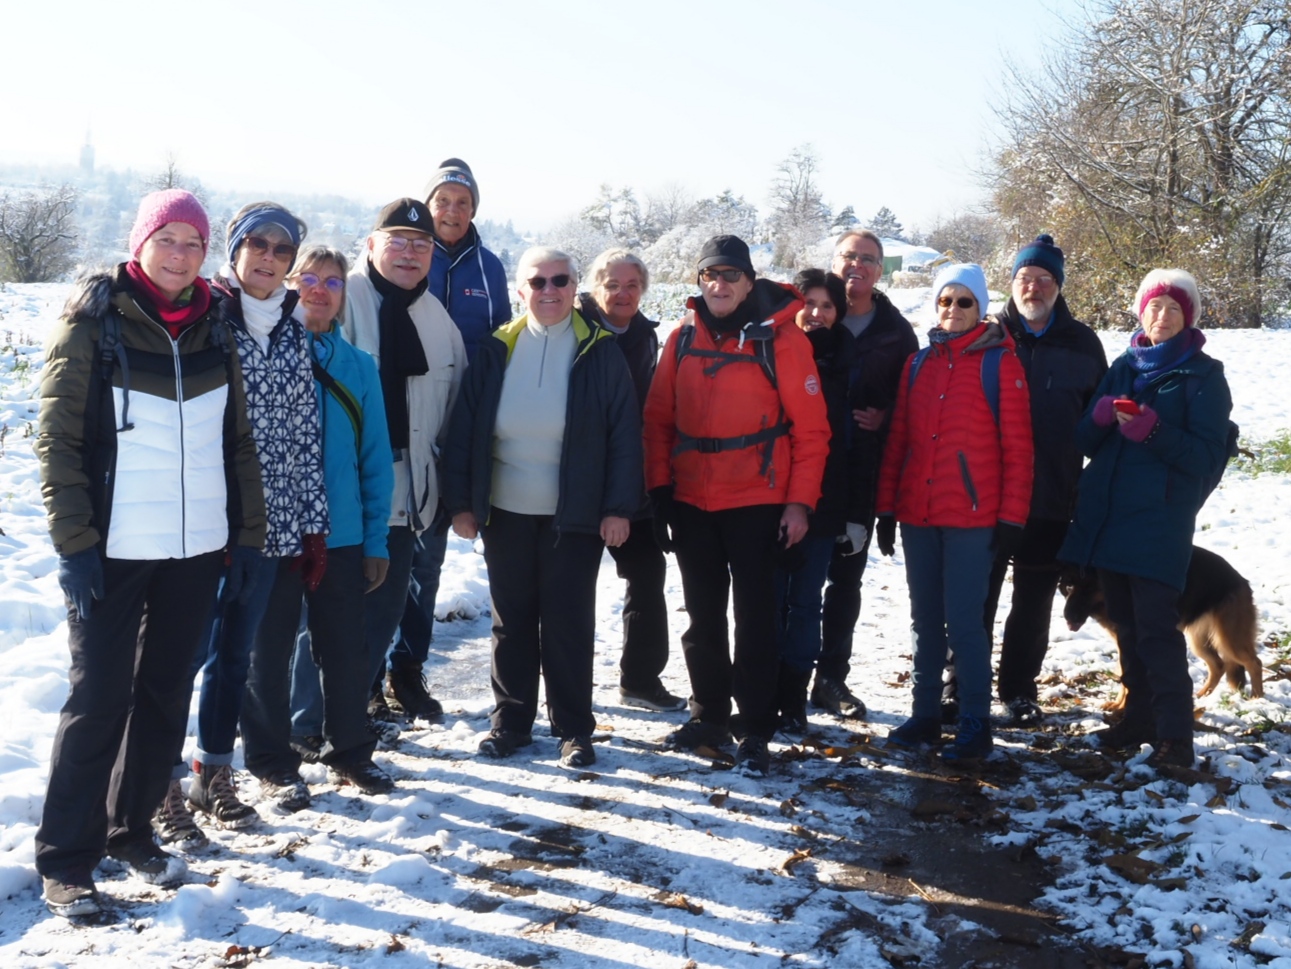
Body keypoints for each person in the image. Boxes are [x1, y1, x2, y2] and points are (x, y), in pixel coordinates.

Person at [34, 189, 266, 917]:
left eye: (193, 243)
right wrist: (75, 544)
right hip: (113, 548)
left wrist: (245, 535)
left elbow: (236, 442)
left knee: (164, 694)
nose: (180, 254)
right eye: (167, 239)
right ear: (140, 243)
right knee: (98, 700)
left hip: (194, 549)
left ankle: (130, 831)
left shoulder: (215, 326)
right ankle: (66, 861)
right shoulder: (94, 323)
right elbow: (57, 442)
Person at [164, 203, 328, 836]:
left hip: (273, 529)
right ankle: (159, 783)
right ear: (234, 251)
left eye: (282, 250)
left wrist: (311, 526)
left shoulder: (290, 330)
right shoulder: (209, 321)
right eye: (257, 243)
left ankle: (213, 774)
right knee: (184, 657)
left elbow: (304, 437)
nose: (269, 257)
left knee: (235, 658)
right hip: (210, 525)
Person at [442, 247, 641, 768]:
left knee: (567, 622)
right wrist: (461, 504)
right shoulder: (497, 348)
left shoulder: (599, 351)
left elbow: (625, 435)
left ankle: (574, 729)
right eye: (537, 282)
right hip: (505, 511)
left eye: (560, 280)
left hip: (574, 514)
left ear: (576, 288)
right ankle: (510, 723)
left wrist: (618, 507)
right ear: (520, 290)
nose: (548, 291)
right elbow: (465, 429)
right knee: (511, 621)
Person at [642, 235, 830, 776]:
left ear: (749, 282)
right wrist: (659, 490)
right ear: (699, 281)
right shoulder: (681, 338)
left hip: (758, 499)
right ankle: (708, 715)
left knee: (755, 620)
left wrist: (799, 505)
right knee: (702, 618)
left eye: (730, 275)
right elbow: (657, 421)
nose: (719, 284)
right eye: (710, 275)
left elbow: (812, 432)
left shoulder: (783, 341)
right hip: (692, 500)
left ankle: (754, 727)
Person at [1059, 269, 1232, 770]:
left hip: (1159, 523)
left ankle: (1176, 739)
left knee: (1157, 632)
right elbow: (1084, 442)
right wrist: (1097, 418)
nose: (1162, 316)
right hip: (1109, 520)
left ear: (1188, 318)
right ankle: (1138, 721)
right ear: (1141, 312)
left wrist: (1154, 432)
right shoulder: (1124, 366)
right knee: (1127, 628)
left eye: (1174, 308)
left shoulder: (1204, 376)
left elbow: (1207, 456)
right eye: (1155, 306)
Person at [242, 245, 396, 804]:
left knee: (345, 650)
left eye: (333, 282)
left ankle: (350, 751)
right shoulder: (265, 352)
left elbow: (375, 460)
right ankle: (271, 760)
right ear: (289, 283)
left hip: (344, 533)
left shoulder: (360, 366)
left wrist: (376, 539)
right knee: (269, 650)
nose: (319, 290)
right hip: (276, 532)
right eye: (308, 278)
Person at [875, 263, 1033, 763]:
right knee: (925, 621)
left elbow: (1019, 450)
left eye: (964, 301)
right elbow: (899, 440)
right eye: (945, 300)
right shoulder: (917, 363)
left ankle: (974, 723)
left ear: (980, 308)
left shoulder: (1000, 364)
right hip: (917, 515)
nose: (953, 310)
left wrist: (1011, 519)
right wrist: (886, 508)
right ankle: (924, 715)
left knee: (965, 624)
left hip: (972, 518)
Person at [384, 159, 511, 722]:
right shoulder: (407, 256)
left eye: (462, 202)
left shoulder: (489, 268)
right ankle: (366, 672)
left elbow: (502, 339)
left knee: (427, 562)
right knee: (385, 556)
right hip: (400, 418)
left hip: (457, 424)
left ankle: (408, 669)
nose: (452, 211)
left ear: (474, 209)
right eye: (443, 201)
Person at [343, 198, 467, 739]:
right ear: (371, 244)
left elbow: (455, 408)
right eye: (398, 241)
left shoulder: (438, 321)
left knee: (394, 602)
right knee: (343, 611)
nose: (410, 253)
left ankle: (369, 700)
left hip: (413, 492)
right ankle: (334, 713)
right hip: (350, 492)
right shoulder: (341, 300)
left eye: (421, 245)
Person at [978, 235, 1107, 725]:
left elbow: (1100, 421)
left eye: (1043, 278)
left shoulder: (1083, 344)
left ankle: (1019, 690)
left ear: (1059, 285)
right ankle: (960, 685)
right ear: (1011, 283)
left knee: (1032, 604)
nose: (1032, 287)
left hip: (1052, 495)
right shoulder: (988, 335)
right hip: (986, 496)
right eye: (1024, 278)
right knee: (975, 598)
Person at [814, 230, 918, 718]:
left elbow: (916, 399)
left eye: (868, 259)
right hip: (803, 469)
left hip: (860, 473)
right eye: (849, 256)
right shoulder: (809, 313)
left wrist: (888, 415)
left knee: (844, 582)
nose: (857, 265)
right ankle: (781, 676)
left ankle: (831, 678)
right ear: (834, 261)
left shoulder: (897, 332)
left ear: (881, 270)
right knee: (789, 583)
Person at [577, 247, 684, 713]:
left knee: (646, 574)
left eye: (633, 285)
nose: (623, 294)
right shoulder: (573, 328)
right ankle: (567, 689)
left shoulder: (644, 335)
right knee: (572, 587)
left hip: (631, 480)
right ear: (596, 287)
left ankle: (639, 679)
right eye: (613, 285)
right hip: (579, 480)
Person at [773, 269, 864, 733]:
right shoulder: (770, 351)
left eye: (827, 306)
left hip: (825, 500)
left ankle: (792, 696)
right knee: (767, 601)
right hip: (768, 496)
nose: (816, 313)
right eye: (808, 303)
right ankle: (760, 690)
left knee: (806, 603)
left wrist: (853, 513)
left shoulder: (848, 362)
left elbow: (854, 446)